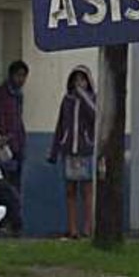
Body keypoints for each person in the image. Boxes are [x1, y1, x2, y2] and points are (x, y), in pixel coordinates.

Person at [48, 65, 97, 240]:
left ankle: (88, 229)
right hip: (69, 151)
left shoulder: (92, 99)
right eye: (76, 80)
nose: (79, 83)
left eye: (82, 79)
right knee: (70, 191)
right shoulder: (67, 100)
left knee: (87, 191)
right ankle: (72, 229)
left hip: (86, 150)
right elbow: (60, 126)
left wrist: (84, 97)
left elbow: (95, 116)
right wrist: (54, 151)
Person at [0, 60, 28, 237]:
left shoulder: (19, 95)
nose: (21, 80)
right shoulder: (0, 94)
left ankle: (14, 223)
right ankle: (2, 222)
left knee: (15, 187)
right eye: (18, 75)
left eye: (24, 76)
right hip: (3, 146)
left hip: (17, 145)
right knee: (4, 188)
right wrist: (2, 136)